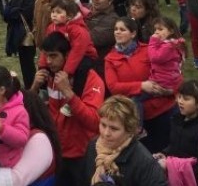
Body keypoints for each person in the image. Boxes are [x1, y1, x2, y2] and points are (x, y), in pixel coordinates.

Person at [34, 33, 104, 186]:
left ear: (67, 55)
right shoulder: (50, 76)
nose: (49, 61)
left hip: (83, 154)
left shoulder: (90, 79)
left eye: (53, 56)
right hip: (58, 152)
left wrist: (69, 93)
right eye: (46, 56)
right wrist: (34, 88)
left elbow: (94, 121)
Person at [103, 16, 176, 153]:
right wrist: (141, 86)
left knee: (165, 151)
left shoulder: (149, 50)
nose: (117, 32)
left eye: (122, 29)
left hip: (162, 109)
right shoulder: (110, 59)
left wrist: (169, 90)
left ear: (133, 33)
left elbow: (170, 71)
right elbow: (113, 87)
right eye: (116, 29)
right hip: (135, 116)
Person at [84, 95, 168, 186]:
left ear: (129, 130)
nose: (106, 133)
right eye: (103, 125)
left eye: (114, 128)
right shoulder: (93, 146)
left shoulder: (143, 162)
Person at [153, 80, 198, 183]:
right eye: (179, 97)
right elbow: (174, 144)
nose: (180, 101)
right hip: (173, 174)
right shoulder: (176, 119)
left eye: (186, 99)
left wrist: (171, 165)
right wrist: (164, 153)